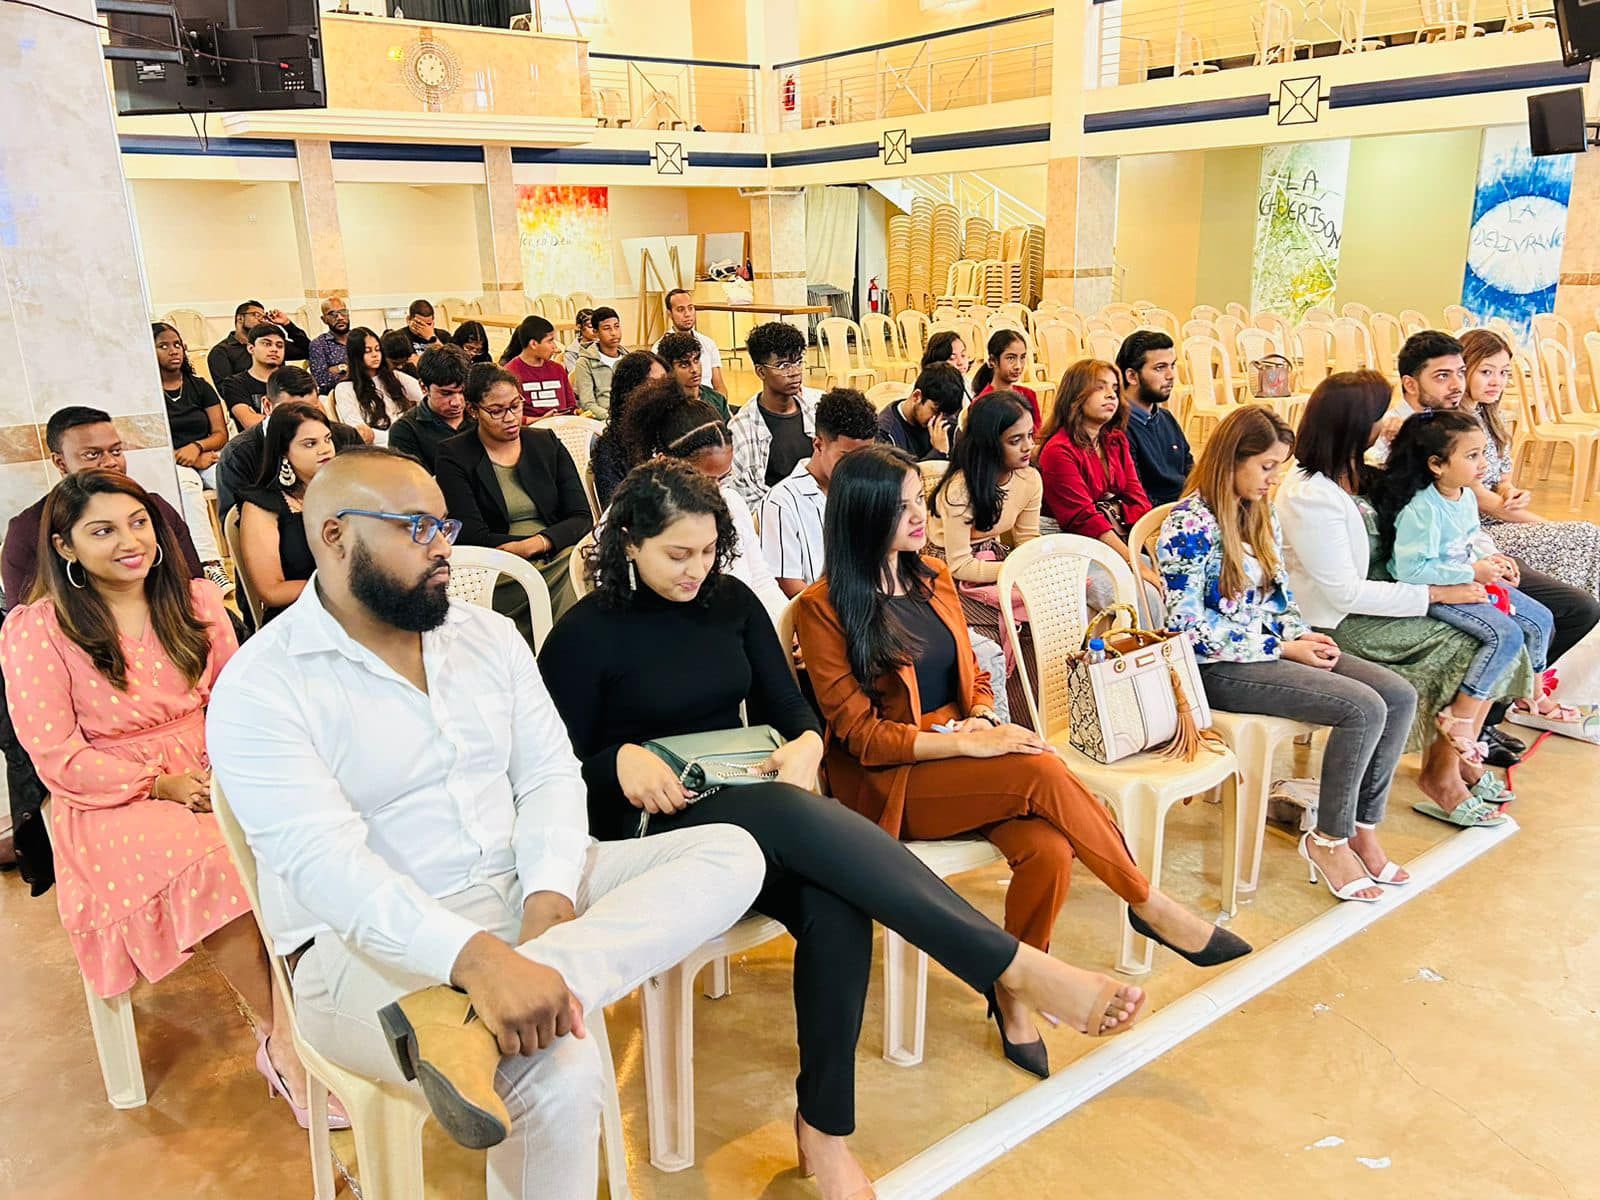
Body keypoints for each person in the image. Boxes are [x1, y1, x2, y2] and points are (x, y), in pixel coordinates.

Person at [541, 459, 1149, 1197]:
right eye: (677, 554)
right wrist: (615, 762)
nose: (696, 570)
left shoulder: (730, 602)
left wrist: (804, 745)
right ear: (630, 543)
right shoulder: (584, 635)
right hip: (650, 827)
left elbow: (790, 709)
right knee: (787, 818)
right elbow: (547, 771)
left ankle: (823, 1131)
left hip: (749, 806)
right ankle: (1010, 966)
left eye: (707, 551)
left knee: (837, 906)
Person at [206, 448, 768, 1196]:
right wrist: (474, 959)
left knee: (732, 853)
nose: (444, 546)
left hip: (519, 889)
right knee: (557, 1069)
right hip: (359, 951)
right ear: (335, 535)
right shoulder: (263, 684)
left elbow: (549, 775)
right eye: (416, 527)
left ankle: (473, 1021)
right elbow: (326, 868)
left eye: (445, 524)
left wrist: (548, 901)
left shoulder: (486, 636)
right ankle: (478, 1008)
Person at [0, 470, 326, 1127]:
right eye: (103, 531)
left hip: (215, 765)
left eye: (138, 523)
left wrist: (229, 771)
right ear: (64, 546)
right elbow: (56, 756)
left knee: (310, 837)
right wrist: (161, 784)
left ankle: (317, 1021)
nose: (130, 542)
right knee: (218, 864)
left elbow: (238, 700)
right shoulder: (39, 629)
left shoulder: (197, 600)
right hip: (110, 796)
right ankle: (286, 1041)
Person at [1158, 405, 1434, 892]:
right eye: (1266, 466)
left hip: (1268, 649)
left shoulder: (1258, 511)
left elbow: (1280, 596)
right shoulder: (1189, 524)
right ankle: (1328, 839)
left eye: (1278, 468)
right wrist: (1281, 648)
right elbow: (1186, 629)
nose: (1273, 479)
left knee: (1397, 695)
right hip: (1216, 666)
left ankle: (1362, 827)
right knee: (1362, 708)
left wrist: (1298, 634)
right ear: (1231, 460)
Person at [1277, 371, 1525, 826]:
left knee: (1509, 627)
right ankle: (1442, 775)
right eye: (1381, 415)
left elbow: (1448, 517)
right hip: (1340, 618)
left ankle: (1457, 759)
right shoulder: (1308, 494)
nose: (1389, 421)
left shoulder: (1359, 469)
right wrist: (1436, 592)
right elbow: (1344, 591)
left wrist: (1475, 564)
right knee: (1466, 644)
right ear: (1356, 423)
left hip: (1392, 593)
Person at [1371, 410, 1564, 760]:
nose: (1483, 464)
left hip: (1467, 579)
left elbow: (1470, 539)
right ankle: (1459, 714)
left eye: (1482, 453)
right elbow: (1410, 569)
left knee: (1542, 618)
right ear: (1436, 465)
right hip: (1440, 590)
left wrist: (1493, 560)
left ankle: (1531, 694)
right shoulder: (1422, 509)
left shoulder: (1465, 496)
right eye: (1472, 456)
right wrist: (1471, 572)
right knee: (1506, 634)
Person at [435, 366, 593, 628]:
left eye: (516, 406)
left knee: (585, 566)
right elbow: (471, 534)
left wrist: (539, 543)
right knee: (581, 576)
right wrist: (527, 549)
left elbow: (582, 517)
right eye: (496, 411)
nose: (510, 418)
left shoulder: (546, 443)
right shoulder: (454, 455)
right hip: (499, 566)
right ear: (473, 410)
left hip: (556, 549)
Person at [620, 382, 789, 624]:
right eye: (705, 479)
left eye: (724, 478)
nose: (716, 489)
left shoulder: (731, 503)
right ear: (664, 462)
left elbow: (761, 581)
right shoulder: (634, 516)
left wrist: (787, 625)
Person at [5, 407, 203, 607]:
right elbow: (26, 617)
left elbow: (193, 589)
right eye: (92, 455)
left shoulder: (156, 508)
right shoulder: (28, 530)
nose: (110, 462)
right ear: (60, 462)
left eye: (116, 451)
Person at [926, 391, 1043, 719]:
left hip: (995, 561)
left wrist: (1029, 569)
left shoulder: (1029, 478)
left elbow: (1028, 539)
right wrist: (1013, 570)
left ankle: (1036, 718)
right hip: (945, 573)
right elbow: (958, 564)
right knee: (998, 630)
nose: (1028, 447)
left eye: (1030, 435)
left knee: (1040, 619)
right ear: (990, 444)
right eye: (1015, 440)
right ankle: (1003, 720)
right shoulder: (960, 489)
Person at [1459, 328, 1600, 597]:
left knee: (1585, 537)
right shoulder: (1455, 424)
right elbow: (1478, 498)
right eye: (1486, 372)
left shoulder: (1490, 417)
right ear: (1463, 369)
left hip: (1500, 521)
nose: (1497, 382)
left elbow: (1503, 479)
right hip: (1476, 533)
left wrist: (1509, 491)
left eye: (1504, 373)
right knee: (1585, 535)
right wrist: (1545, 524)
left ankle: (1585, 607)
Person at [1036, 358, 1162, 609]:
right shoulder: (1058, 450)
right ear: (1076, 396)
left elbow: (1137, 498)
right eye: (1100, 387)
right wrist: (1135, 563)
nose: (1111, 395)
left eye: (1114, 388)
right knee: (1144, 594)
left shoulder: (1115, 440)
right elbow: (1084, 520)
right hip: (1070, 546)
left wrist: (1147, 553)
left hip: (1111, 536)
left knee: (1170, 576)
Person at [759, 388, 879, 597]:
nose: (858, 467)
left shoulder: (873, 489)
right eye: (846, 457)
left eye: (866, 456)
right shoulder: (782, 502)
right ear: (818, 444)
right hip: (818, 610)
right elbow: (788, 585)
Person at [237, 403, 338, 623]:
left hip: (352, 610)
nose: (325, 449)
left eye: (327, 439)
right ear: (284, 452)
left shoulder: (344, 491)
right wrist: (339, 590)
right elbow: (271, 591)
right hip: (297, 616)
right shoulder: (261, 505)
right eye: (310, 444)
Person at [219, 368, 363, 518]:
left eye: (312, 410)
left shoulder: (345, 436)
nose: (305, 420)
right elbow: (235, 521)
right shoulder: (238, 454)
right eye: (293, 413)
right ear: (267, 406)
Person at [153, 322, 230, 592]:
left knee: (231, 479)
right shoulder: (148, 394)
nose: (173, 351)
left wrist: (197, 448)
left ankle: (249, 551)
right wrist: (187, 457)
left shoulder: (199, 386)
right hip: (171, 462)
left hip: (206, 455)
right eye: (163, 346)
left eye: (177, 344)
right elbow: (150, 443)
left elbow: (220, 433)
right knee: (188, 486)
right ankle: (211, 565)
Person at [729, 321, 821, 509]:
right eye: (783, 365)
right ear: (761, 371)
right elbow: (741, 497)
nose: (795, 372)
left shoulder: (818, 408)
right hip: (773, 515)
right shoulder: (742, 428)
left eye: (798, 362)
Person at [1117, 330, 1192, 506]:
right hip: (1156, 515)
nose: (1171, 375)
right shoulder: (1119, 427)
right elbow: (1137, 497)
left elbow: (1190, 469)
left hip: (1185, 508)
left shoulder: (1165, 417)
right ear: (1132, 376)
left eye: (1172, 365)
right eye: (1160, 368)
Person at [590, 351, 667, 508]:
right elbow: (615, 511)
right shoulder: (610, 449)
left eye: (666, 383)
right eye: (655, 384)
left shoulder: (671, 434)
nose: (665, 392)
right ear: (631, 392)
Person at [332, 326, 424, 446]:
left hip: (408, 437)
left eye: (377, 349)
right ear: (356, 355)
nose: (375, 355)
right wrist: (398, 437)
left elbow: (424, 395)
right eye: (368, 351)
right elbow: (359, 430)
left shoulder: (394, 376)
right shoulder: (345, 388)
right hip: (379, 446)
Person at [389, 345, 472, 474]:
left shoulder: (481, 414)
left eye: (462, 392)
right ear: (423, 387)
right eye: (446, 393)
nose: (456, 402)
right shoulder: (405, 431)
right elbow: (416, 481)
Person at [207, 299, 309, 384]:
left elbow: (308, 351)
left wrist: (287, 324)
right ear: (240, 318)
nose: (261, 320)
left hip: (281, 395)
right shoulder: (221, 351)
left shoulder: (272, 345)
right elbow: (226, 389)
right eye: (256, 315)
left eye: (263, 317)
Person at [877, 363, 963, 462]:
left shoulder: (946, 423)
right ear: (917, 396)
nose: (938, 419)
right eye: (935, 411)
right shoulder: (886, 434)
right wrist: (938, 453)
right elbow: (902, 472)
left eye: (945, 414)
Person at [657, 287, 727, 399]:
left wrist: (721, 405)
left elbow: (719, 386)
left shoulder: (708, 343)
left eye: (690, 308)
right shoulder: (660, 348)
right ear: (669, 314)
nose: (687, 314)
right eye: (680, 310)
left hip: (709, 401)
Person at [503, 316, 577, 421]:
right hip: (531, 428)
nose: (554, 347)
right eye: (550, 341)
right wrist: (541, 419)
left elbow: (571, 405)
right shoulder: (510, 372)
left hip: (563, 425)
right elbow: (509, 415)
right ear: (533, 344)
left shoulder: (558, 369)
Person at [220, 322, 289, 431]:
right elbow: (250, 423)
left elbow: (315, 416)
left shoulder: (294, 379)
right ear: (251, 348)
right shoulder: (234, 383)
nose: (274, 349)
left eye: (279, 345)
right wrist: (295, 418)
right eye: (267, 344)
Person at [971, 330, 1041, 430]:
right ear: (992, 361)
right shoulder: (982, 403)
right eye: (1010, 358)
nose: (1018, 366)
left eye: (1022, 358)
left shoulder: (1028, 394)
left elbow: (1038, 433)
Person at [659, 330, 731, 423]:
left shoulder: (717, 400)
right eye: (684, 365)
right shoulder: (662, 407)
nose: (694, 369)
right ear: (669, 369)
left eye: (696, 360)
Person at [571, 306, 625, 418]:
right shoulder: (584, 362)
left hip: (631, 418)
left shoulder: (628, 359)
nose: (614, 333)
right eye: (607, 328)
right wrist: (611, 418)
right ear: (596, 332)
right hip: (603, 419)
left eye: (616, 326)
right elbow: (587, 404)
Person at [307, 296, 351, 394]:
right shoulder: (319, 344)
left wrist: (337, 370)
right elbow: (321, 380)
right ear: (324, 319)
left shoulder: (360, 338)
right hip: (335, 397)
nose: (339, 317)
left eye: (343, 312)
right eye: (332, 314)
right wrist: (345, 368)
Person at [921, 329, 973, 394]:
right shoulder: (928, 390)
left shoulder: (969, 384)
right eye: (952, 358)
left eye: (963, 355)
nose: (960, 362)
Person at [559, 307, 597, 374]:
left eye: (597, 326)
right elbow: (574, 376)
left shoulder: (603, 345)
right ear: (579, 327)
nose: (595, 330)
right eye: (590, 326)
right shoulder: (571, 352)